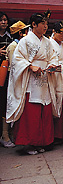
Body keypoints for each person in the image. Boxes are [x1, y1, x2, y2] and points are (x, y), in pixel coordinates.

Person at [6, 11, 60, 155]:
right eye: (43, 23)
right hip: (30, 79)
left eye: (46, 24)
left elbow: (53, 57)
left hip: (45, 77)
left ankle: (42, 141)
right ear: (34, 24)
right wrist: (30, 66)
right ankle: (30, 144)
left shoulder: (47, 41)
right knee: (32, 112)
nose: (45, 26)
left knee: (44, 111)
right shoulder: (25, 41)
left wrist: (53, 65)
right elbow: (17, 59)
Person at [50, 20, 63, 143]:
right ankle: (55, 134)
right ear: (54, 32)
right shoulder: (49, 43)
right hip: (54, 77)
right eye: (61, 33)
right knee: (55, 104)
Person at [0, 14, 16, 148]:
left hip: (6, 73)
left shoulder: (11, 37)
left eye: (5, 20)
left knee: (5, 102)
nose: (4, 22)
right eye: (1, 20)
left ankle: (5, 133)